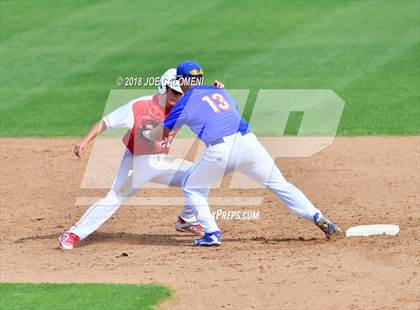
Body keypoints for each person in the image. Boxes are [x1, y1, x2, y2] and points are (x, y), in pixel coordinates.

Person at [143, 61, 342, 246]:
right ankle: (316, 216)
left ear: (181, 81)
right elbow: (226, 111)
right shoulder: (221, 92)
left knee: (192, 186)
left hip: (220, 151)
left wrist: (146, 132)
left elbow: (160, 134)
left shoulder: (184, 103)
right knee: (280, 184)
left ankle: (211, 233)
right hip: (249, 144)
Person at [58, 68, 224, 250]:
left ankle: (186, 220)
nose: (179, 96)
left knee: (201, 176)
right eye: (174, 92)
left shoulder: (183, 107)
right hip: (136, 162)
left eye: (181, 92)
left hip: (161, 160)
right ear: (163, 87)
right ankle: (73, 234)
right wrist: (85, 142)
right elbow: (107, 121)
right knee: (116, 197)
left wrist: (216, 91)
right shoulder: (140, 106)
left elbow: (210, 106)